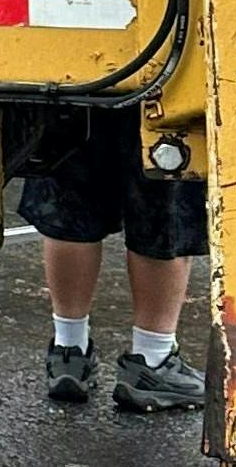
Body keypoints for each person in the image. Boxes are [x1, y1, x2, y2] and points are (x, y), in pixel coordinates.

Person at [15, 112, 208, 410]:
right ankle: (152, 361)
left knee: (68, 198)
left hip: (79, 79)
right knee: (164, 194)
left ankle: (69, 353)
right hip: (158, 77)